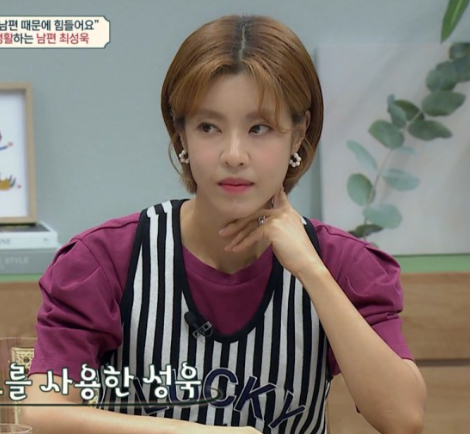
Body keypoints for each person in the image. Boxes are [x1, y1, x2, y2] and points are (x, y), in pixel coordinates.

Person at [22, 14, 426, 434]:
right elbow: (41, 413)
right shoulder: (106, 260)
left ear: (298, 133)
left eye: (259, 128)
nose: (234, 154)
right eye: (209, 127)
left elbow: (403, 418)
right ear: (180, 135)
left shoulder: (342, 263)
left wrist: (313, 271)